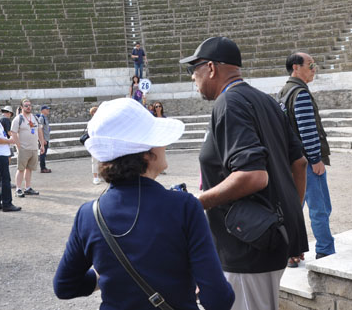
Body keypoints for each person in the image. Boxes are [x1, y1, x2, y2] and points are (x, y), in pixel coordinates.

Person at [53, 98, 235, 310]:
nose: (164, 145)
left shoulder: (88, 214)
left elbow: (65, 286)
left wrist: (105, 276)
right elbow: (218, 299)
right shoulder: (184, 207)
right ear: (147, 154)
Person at [179, 37, 308, 310]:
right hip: (266, 238)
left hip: (247, 247)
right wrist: (288, 216)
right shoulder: (267, 101)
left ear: (211, 68)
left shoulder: (229, 103)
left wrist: (195, 202)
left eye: (195, 68)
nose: (193, 76)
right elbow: (300, 163)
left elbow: (253, 176)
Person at [278, 53, 336, 265]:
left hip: (292, 161)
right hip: (307, 162)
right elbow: (307, 130)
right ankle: (325, 249)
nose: (314, 69)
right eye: (310, 65)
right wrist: (315, 158)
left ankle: (290, 251)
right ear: (296, 67)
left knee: (293, 209)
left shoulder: (284, 92)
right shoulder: (300, 93)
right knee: (320, 207)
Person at [10, 98, 46, 197]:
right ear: (21, 107)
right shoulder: (18, 119)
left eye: (30, 105)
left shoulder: (34, 117)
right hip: (23, 149)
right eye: (26, 105)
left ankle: (28, 187)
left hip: (34, 148)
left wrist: (42, 144)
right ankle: (18, 188)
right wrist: (18, 146)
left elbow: (39, 131)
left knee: (29, 169)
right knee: (21, 169)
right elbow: (13, 133)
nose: (28, 107)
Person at [86, 106, 101, 185]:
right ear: (93, 113)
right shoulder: (91, 122)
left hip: (100, 142)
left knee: (101, 160)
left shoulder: (100, 121)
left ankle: (99, 175)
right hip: (95, 143)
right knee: (95, 161)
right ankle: (95, 177)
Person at [38, 105, 52, 173]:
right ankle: (43, 168)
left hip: (46, 138)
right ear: (43, 110)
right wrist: (42, 139)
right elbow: (40, 129)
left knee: (44, 153)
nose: (48, 110)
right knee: (42, 154)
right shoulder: (41, 118)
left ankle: (43, 167)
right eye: (47, 109)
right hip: (44, 139)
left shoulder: (45, 118)